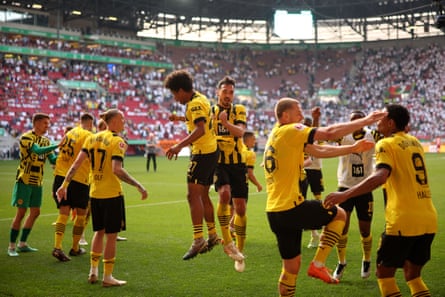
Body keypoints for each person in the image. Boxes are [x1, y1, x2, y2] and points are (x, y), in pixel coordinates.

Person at [263, 98, 386, 296]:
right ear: (285, 116)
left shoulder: (277, 135)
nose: (302, 116)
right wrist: (366, 120)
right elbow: (328, 134)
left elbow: (318, 149)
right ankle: (319, 263)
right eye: (298, 111)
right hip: (291, 207)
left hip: (275, 213)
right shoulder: (290, 130)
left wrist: (352, 148)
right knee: (339, 214)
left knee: (290, 269)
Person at [324, 104, 437, 297]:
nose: (377, 122)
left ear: (391, 123)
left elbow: (380, 176)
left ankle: (363, 261)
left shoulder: (385, 143)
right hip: (428, 219)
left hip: (403, 219)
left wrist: (345, 194)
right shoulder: (415, 142)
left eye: (381, 119)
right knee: (413, 276)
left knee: (384, 275)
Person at [56, 108, 148, 287]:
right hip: (112, 194)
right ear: (113, 121)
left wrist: (64, 185)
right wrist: (138, 185)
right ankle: (107, 277)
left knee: (98, 232)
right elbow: (117, 169)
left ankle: (93, 271)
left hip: (94, 193)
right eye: (122, 118)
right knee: (111, 237)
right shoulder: (118, 141)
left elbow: (76, 164)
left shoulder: (91, 138)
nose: (124, 121)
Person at [164, 69, 220, 260]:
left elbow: (201, 129)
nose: (175, 98)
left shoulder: (194, 103)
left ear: (181, 90)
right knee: (203, 195)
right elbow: (202, 119)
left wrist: (179, 145)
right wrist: (179, 119)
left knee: (192, 195)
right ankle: (212, 235)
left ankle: (198, 239)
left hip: (202, 154)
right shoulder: (200, 99)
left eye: (174, 94)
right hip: (211, 152)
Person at [332, 110, 380, 280]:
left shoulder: (373, 135)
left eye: (359, 120)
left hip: (364, 188)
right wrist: (315, 119)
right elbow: (321, 137)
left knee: (365, 229)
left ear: (364, 122)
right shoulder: (343, 136)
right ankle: (341, 262)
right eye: (353, 120)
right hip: (344, 188)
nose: (356, 123)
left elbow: (390, 135)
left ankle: (366, 259)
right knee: (341, 228)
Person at [8, 113, 58, 257]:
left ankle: (22, 244)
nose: (47, 126)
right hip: (24, 180)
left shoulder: (46, 141)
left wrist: (66, 155)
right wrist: (58, 144)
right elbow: (36, 150)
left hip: (37, 181)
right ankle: (11, 247)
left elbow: (53, 159)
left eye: (48, 123)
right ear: (36, 123)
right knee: (21, 212)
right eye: (45, 123)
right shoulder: (26, 137)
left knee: (35, 212)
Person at [212, 76, 247, 271]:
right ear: (218, 92)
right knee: (224, 193)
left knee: (240, 209)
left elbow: (240, 133)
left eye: (231, 92)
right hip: (219, 163)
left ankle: (239, 253)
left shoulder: (239, 110)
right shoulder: (210, 112)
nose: (228, 95)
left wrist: (225, 124)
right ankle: (228, 242)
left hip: (238, 163)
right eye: (225, 91)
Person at [52, 113, 94, 262]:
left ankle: (57, 247)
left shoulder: (69, 133)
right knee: (81, 213)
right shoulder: (88, 135)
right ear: (90, 123)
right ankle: (75, 248)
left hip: (60, 175)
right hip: (78, 178)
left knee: (63, 212)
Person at [302, 111, 325, 249]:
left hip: (315, 168)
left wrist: (316, 119)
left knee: (318, 198)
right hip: (302, 170)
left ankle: (319, 223)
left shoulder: (315, 134)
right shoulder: (298, 135)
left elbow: (315, 133)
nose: (306, 127)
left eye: (308, 125)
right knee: (301, 199)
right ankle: (313, 231)